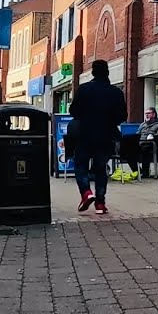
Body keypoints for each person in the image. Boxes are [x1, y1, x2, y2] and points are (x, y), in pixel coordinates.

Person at [69, 59, 127, 214]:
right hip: (106, 136)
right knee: (101, 168)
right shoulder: (116, 92)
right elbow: (122, 116)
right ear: (107, 72)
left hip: (84, 134)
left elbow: (73, 111)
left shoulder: (84, 89)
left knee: (80, 164)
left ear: (93, 72)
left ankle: (86, 192)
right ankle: (100, 204)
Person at [137, 108, 158, 179]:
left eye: (148, 113)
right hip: (140, 143)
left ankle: (145, 173)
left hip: (152, 144)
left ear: (154, 114)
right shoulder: (142, 124)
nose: (147, 115)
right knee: (128, 151)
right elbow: (137, 134)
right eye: (146, 113)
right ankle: (139, 171)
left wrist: (152, 136)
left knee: (145, 149)